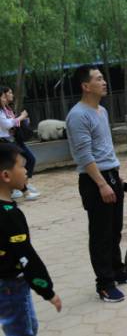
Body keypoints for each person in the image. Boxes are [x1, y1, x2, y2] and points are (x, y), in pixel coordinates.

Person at [66, 65, 127, 303]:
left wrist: (116, 176)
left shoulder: (101, 111)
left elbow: (104, 148)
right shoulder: (78, 115)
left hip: (110, 175)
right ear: (85, 86)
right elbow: (84, 155)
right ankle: (104, 283)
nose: (104, 82)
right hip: (94, 180)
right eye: (99, 79)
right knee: (101, 234)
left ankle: (117, 269)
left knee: (115, 229)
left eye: (103, 78)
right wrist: (102, 184)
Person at [0, 143, 61, 336]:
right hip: (12, 285)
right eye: (22, 166)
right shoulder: (10, 215)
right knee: (21, 330)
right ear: (6, 175)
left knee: (27, 326)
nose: (27, 171)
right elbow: (26, 257)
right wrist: (48, 292)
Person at [0, 87, 39, 201]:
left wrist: (21, 120)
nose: (4, 98)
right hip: (4, 141)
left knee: (16, 164)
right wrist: (21, 117)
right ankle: (22, 189)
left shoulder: (6, 109)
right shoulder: (2, 111)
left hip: (9, 140)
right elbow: (7, 125)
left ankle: (21, 187)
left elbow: (10, 124)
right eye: (3, 96)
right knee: (16, 164)